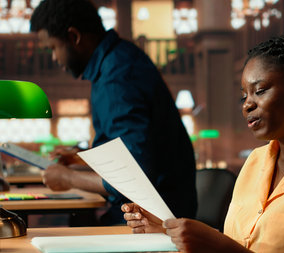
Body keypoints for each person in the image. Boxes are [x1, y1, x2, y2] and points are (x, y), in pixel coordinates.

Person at [123, 33, 284, 252]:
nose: (247, 104)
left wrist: (218, 246)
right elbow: (240, 244)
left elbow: (229, 249)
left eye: (260, 90)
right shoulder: (255, 162)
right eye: (244, 95)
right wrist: (165, 229)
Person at [30, 0, 197, 225]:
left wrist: (68, 178)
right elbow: (130, 154)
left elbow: (133, 176)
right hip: (150, 211)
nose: (53, 57)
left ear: (73, 37)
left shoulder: (117, 78)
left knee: (53, 229)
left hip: (156, 221)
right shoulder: (118, 59)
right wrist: (82, 158)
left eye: (53, 48)